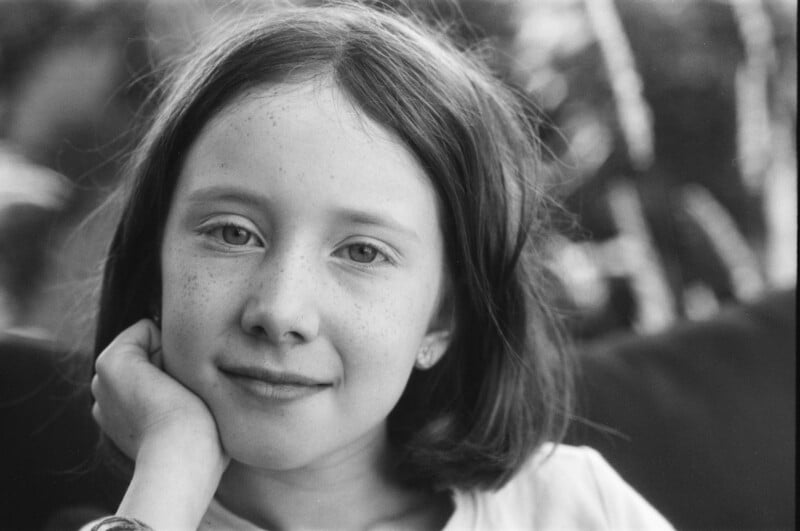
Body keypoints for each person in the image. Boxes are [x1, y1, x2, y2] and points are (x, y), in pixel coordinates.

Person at [85, 3, 673, 530]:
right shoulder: (150, 511)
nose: (281, 311)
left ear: (443, 317)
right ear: (154, 260)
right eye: (234, 234)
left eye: (363, 252)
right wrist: (171, 470)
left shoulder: (570, 508)